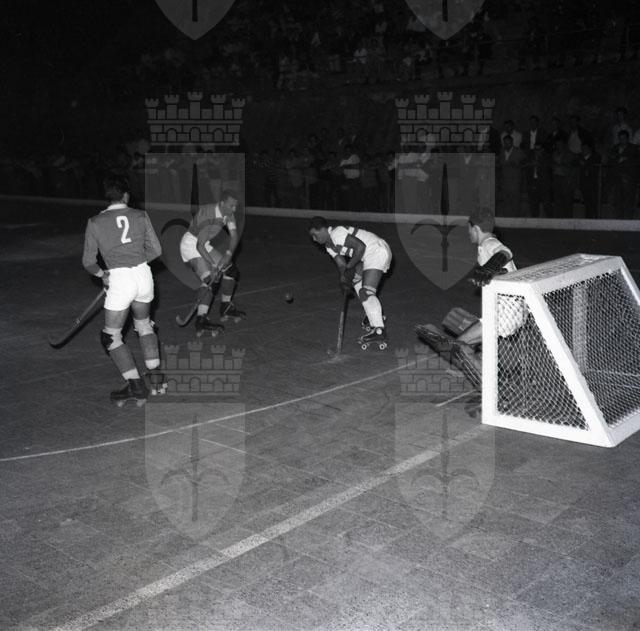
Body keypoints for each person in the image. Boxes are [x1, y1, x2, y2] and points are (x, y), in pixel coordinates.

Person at [415, 207, 521, 389]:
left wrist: (490, 267)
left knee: (460, 345)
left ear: (475, 228)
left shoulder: (489, 244)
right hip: (512, 309)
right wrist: (494, 270)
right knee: (469, 333)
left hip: (506, 313)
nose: (468, 233)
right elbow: (503, 269)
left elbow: (505, 252)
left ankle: (490, 386)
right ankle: (485, 367)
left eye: (469, 229)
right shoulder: (487, 244)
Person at [82, 175, 163, 406]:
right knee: (144, 324)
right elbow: (156, 250)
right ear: (126, 195)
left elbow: (89, 263)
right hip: (143, 275)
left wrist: (104, 275)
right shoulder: (140, 215)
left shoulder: (95, 222)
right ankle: (156, 378)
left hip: (119, 279)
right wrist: (136, 262)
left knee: (110, 336)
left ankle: (135, 386)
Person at [309, 216, 392, 348]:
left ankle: (379, 330)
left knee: (366, 292)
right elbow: (342, 266)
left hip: (376, 250)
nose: (314, 239)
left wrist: (349, 268)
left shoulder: (336, 234)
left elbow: (360, 247)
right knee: (356, 281)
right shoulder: (329, 246)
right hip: (367, 256)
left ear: (323, 229)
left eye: (315, 235)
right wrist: (344, 279)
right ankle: (374, 315)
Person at [179, 189, 245, 335]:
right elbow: (199, 246)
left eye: (236, 206)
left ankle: (226, 306)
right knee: (210, 280)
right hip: (191, 245)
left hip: (204, 244)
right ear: (222, 203)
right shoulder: (207, 214)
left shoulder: (228, 213)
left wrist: (228, 254)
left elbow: (234, 236)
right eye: (232, 206)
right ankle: (201, 319)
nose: (234, 209)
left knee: (231, 271)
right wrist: (214, 266)